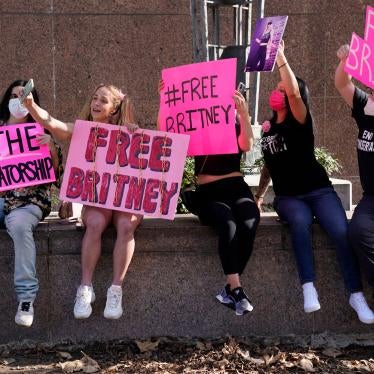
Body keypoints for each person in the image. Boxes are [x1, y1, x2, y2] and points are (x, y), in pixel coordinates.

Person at [256, 41, 374, 323]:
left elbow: (295, 94)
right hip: (289, 198)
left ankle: (355, 294)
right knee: (299, 222)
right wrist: (259, 196)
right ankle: (308, 287)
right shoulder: (268, 130)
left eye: (282, 89)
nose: (278, 92)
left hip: (319, 190)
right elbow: (269, 167)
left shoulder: (301, 119)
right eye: (278, 89)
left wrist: (281, 56)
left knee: (341, 230)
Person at [23, 84, 142, 320]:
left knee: (127, 225)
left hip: (123, 202)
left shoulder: (129, 132)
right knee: (95, 222)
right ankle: (85, 288)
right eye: (94, 98)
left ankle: (115, 289)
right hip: (97, 202)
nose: (96, 103)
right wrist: (32, 106)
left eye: (103, 100)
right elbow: (53, 124)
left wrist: (135, 135)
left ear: (114, 108)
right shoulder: (83, 129)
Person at [159, 78, 260, 316]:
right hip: (208, 192)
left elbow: (247, 145)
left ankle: (231, 288)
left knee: (249, 222)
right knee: (228, 224)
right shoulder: (195, 121)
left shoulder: (236, 121)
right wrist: (166, 102)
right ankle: (235, 289)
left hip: (236, 187)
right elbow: (168, 136)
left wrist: (243, 114)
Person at [0, 80, 62, 327]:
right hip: (2, 200)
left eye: (25, 96)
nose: (19, 100)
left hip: (28, 203)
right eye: (14, 96)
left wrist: (53, 152)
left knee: (18, 226)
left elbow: (58, 179)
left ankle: (26, 299)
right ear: (6, 101)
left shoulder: (41, 133)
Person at [335, 44, 374, 300]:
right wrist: (345, 60)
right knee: (358, 231)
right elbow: (341, 83)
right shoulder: (364, 105)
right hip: (371, 198)